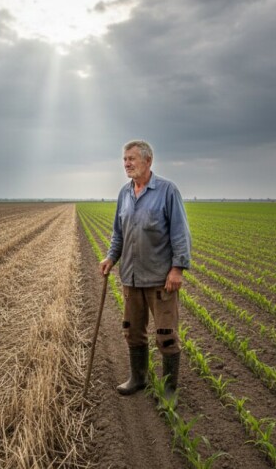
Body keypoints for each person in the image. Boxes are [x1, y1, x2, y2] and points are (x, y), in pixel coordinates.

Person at [99, 140, 191, 406]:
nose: (126, 163)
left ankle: (170, 390)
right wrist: (111, 257)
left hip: (160, 280)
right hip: (131, 277)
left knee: (166, 334)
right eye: (124, 160)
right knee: (133, 331)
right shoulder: (124, 194)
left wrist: (177, 269)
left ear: (148, 161)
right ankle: (138, 378)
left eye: (131, 159)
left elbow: (180, 234)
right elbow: (119, 233)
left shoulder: (167, 191)